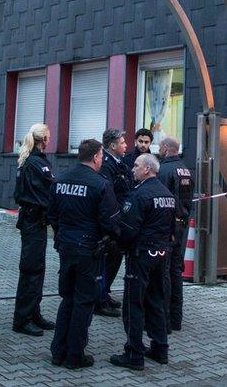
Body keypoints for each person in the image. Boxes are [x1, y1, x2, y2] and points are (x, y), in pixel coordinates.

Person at [47, 139, 119, 370]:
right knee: (84, 301)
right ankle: (75, 355)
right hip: (89, 250)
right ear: (97, 156)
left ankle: (58, 351)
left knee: (67, 298)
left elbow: (52, 215)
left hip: (66, 247)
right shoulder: (101, 184)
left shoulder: (60, 179)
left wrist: (62, 236)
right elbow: (111, 222)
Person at [109, 153, 175, 371]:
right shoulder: (166, 193)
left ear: (147, 169)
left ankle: (134, 353)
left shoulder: (139, 195)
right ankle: (160, 348)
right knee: (156, 300)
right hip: (161, 254)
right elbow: (171, 227)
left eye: (136, 166)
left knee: (133, 303)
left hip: (141, 255)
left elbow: (128, 228)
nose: (133, 169)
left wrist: (118, 243)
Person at [12, 123, 57, 336]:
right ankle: (22, 319)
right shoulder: (34, 164)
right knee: (31, 270)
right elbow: (41, 194)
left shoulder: (35, 162)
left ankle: (33, 313)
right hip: (33, 221)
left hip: (36, 222)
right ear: (44, 140)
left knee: (37, 269)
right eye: (48, 136)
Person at [156, 136, 193, 332]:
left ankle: (165, 320)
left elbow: (162, 200)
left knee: (166, 273)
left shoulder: (164, 170)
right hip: (182, 225)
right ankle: (176, 319)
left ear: (165, 148)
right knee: (176, 272)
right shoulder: (185, 170)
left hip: (168, 228)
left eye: (160, 146)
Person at [96, 128, 132, 317]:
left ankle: (105, 292)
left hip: (120, 220)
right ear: (112, 145)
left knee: (115, 259)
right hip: (111, 222)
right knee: (106, 260)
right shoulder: (106, 165)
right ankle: (99, 299)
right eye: (122, 142)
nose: (126, 145)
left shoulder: (121, 164)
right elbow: (108, 196)